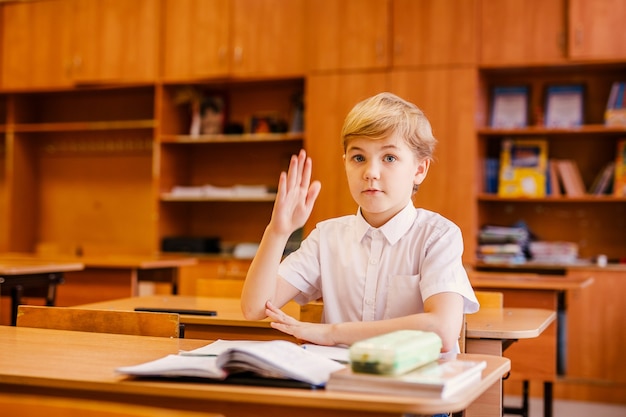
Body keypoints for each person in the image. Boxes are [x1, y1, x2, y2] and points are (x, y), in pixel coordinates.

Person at [241, 92, 478, 354]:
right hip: (337, 381)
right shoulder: (326, 237)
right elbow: (254, 309)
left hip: (418, 384)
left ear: (419, 170)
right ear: (346, 165)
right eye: (358, 158)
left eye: (389, 158)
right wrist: (277, 231)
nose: (370, 173)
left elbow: (442, 330)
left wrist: (333, 333)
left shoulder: (438, 235)